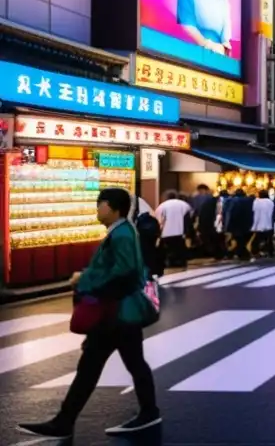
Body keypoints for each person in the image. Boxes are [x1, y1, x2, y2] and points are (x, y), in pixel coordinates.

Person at [19, 187, 161, 438]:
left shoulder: (121, 235)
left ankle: (66, 422)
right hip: (117, 315)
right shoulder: (120, 232)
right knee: (106, 365)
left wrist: (85, 279)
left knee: (101, 366)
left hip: (116, 315)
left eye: (100, 204)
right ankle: (68, 420)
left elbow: (124, 271)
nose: (97, 209)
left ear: (113, 207)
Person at [155, 191, 191, 269]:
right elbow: (188, 218)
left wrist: (158, 233)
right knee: (180, 249)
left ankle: (169, 263)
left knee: (167, 250)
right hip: (180, 232)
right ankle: (181, 263)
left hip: (166, 232)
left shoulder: (162, 206)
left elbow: (158, 219)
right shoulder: (184, 204)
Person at [251, 189, 275, 258]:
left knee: (257, 239)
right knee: (269, 239)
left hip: (258, 224)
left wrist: (254, 225)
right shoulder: (270, 202)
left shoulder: (256, 202)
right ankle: (270, 252)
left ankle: (256, 252)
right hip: (268, 223)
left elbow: (255, 213)